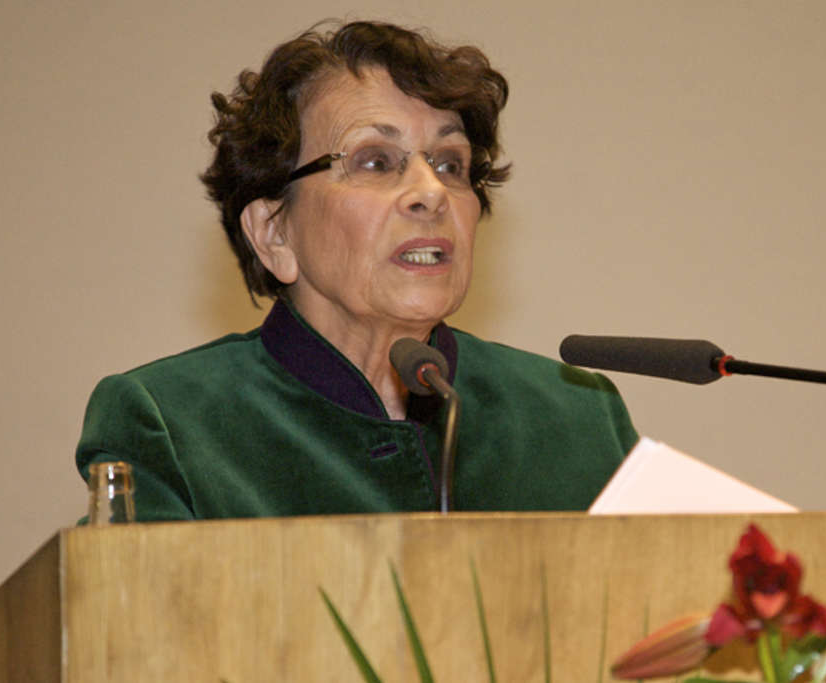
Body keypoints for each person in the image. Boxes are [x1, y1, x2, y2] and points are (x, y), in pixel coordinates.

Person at [75, 20, 638, 520]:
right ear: (274, 232)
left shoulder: (578, 418)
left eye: (450, 164)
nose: (431, 192)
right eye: (375, 161)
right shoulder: (171, 424)